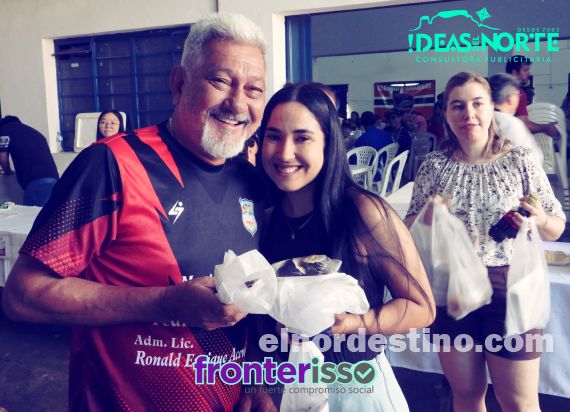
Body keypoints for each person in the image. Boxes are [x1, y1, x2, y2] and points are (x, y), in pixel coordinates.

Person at [3, 13, 274, 412]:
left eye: (254, 89)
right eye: (221, 81)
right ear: (179, 84)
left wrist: (254, 383)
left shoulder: (250, 181)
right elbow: (23, 295)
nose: (238, 103)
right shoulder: (111, 164)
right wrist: (165, 302)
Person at [258, 83, 435, 410]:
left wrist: (356, 322)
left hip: (355, 389)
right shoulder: (265, 219)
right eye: (273, 136)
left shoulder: (362, 212)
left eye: (302, 138)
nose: (284, 153)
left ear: (329, 143)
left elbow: (421, 307)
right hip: (290, 389)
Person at [405, 72, 565, 412]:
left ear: (492, 107)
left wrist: (538, 219)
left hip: (510, 286)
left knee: (519, 402)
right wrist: (427, 220)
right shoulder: (434, 166)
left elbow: (555, 227)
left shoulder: (519, 160)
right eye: (458, 106)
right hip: (451, 288)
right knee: (466, 395)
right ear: (446, 113)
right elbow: (409, 229)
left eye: (477, 104)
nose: (469, 114)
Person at [0, 115, 59, 206]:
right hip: (53, 180)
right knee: (48, 212)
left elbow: (2, 156)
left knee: (33, 214)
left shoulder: (5, 129)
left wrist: (7, 171)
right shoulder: (35, 133)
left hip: (36, 183)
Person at [489, 73, 543, 165]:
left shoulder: (483, 120)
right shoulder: (512, 124)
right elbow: (534, 160)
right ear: (510, 98)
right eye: (518, 95)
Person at [506, 55, 559, 139]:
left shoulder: (498, 89)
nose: (529, 73)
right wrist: (547, 127)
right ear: (515, 72)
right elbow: (525, 125)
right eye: (525, 70)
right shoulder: (518, 93)